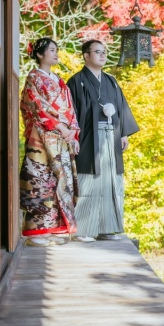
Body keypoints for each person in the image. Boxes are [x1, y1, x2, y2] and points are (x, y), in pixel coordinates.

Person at [67, 39, 139, 242]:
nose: (102, 55)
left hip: (111, 136)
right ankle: (84, 229)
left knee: (111, 182)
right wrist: (73, 137)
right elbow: (71, 113)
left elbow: (121, 108)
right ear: (86, 55)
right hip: (89, 139)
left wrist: (123, 133)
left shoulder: (111, 81)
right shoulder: (76, 81)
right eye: (97, 51)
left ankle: (107, 228)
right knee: (88, 180)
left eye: (104, 52)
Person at [19, 37, 81, 247]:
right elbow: (36, 106)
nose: (56, 54)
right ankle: (36, 232)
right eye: (51, 50)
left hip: (61, 140)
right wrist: (61, 127)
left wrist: (73, 133)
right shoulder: (34, 78)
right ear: (39, 54)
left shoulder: (59, 80)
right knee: (41, 181)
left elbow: (71, 110)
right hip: (42, 138)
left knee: (59, 183)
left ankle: (52, 228)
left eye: (56, 50)